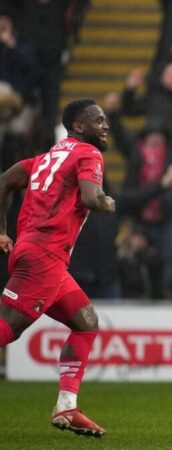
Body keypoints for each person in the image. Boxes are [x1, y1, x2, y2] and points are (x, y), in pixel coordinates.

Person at [0, 99, 115, 436]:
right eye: (98, 120)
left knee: (85, 321)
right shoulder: (88, 154)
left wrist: (3, 231)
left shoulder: (46, 157)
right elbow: (93, 197)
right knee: (9, 329)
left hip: (36, 252)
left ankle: (67, 407)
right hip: (44, 256)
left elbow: (4, 181)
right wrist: (107, 203)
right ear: (78, 127)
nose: (105, 126)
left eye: (106, 120)